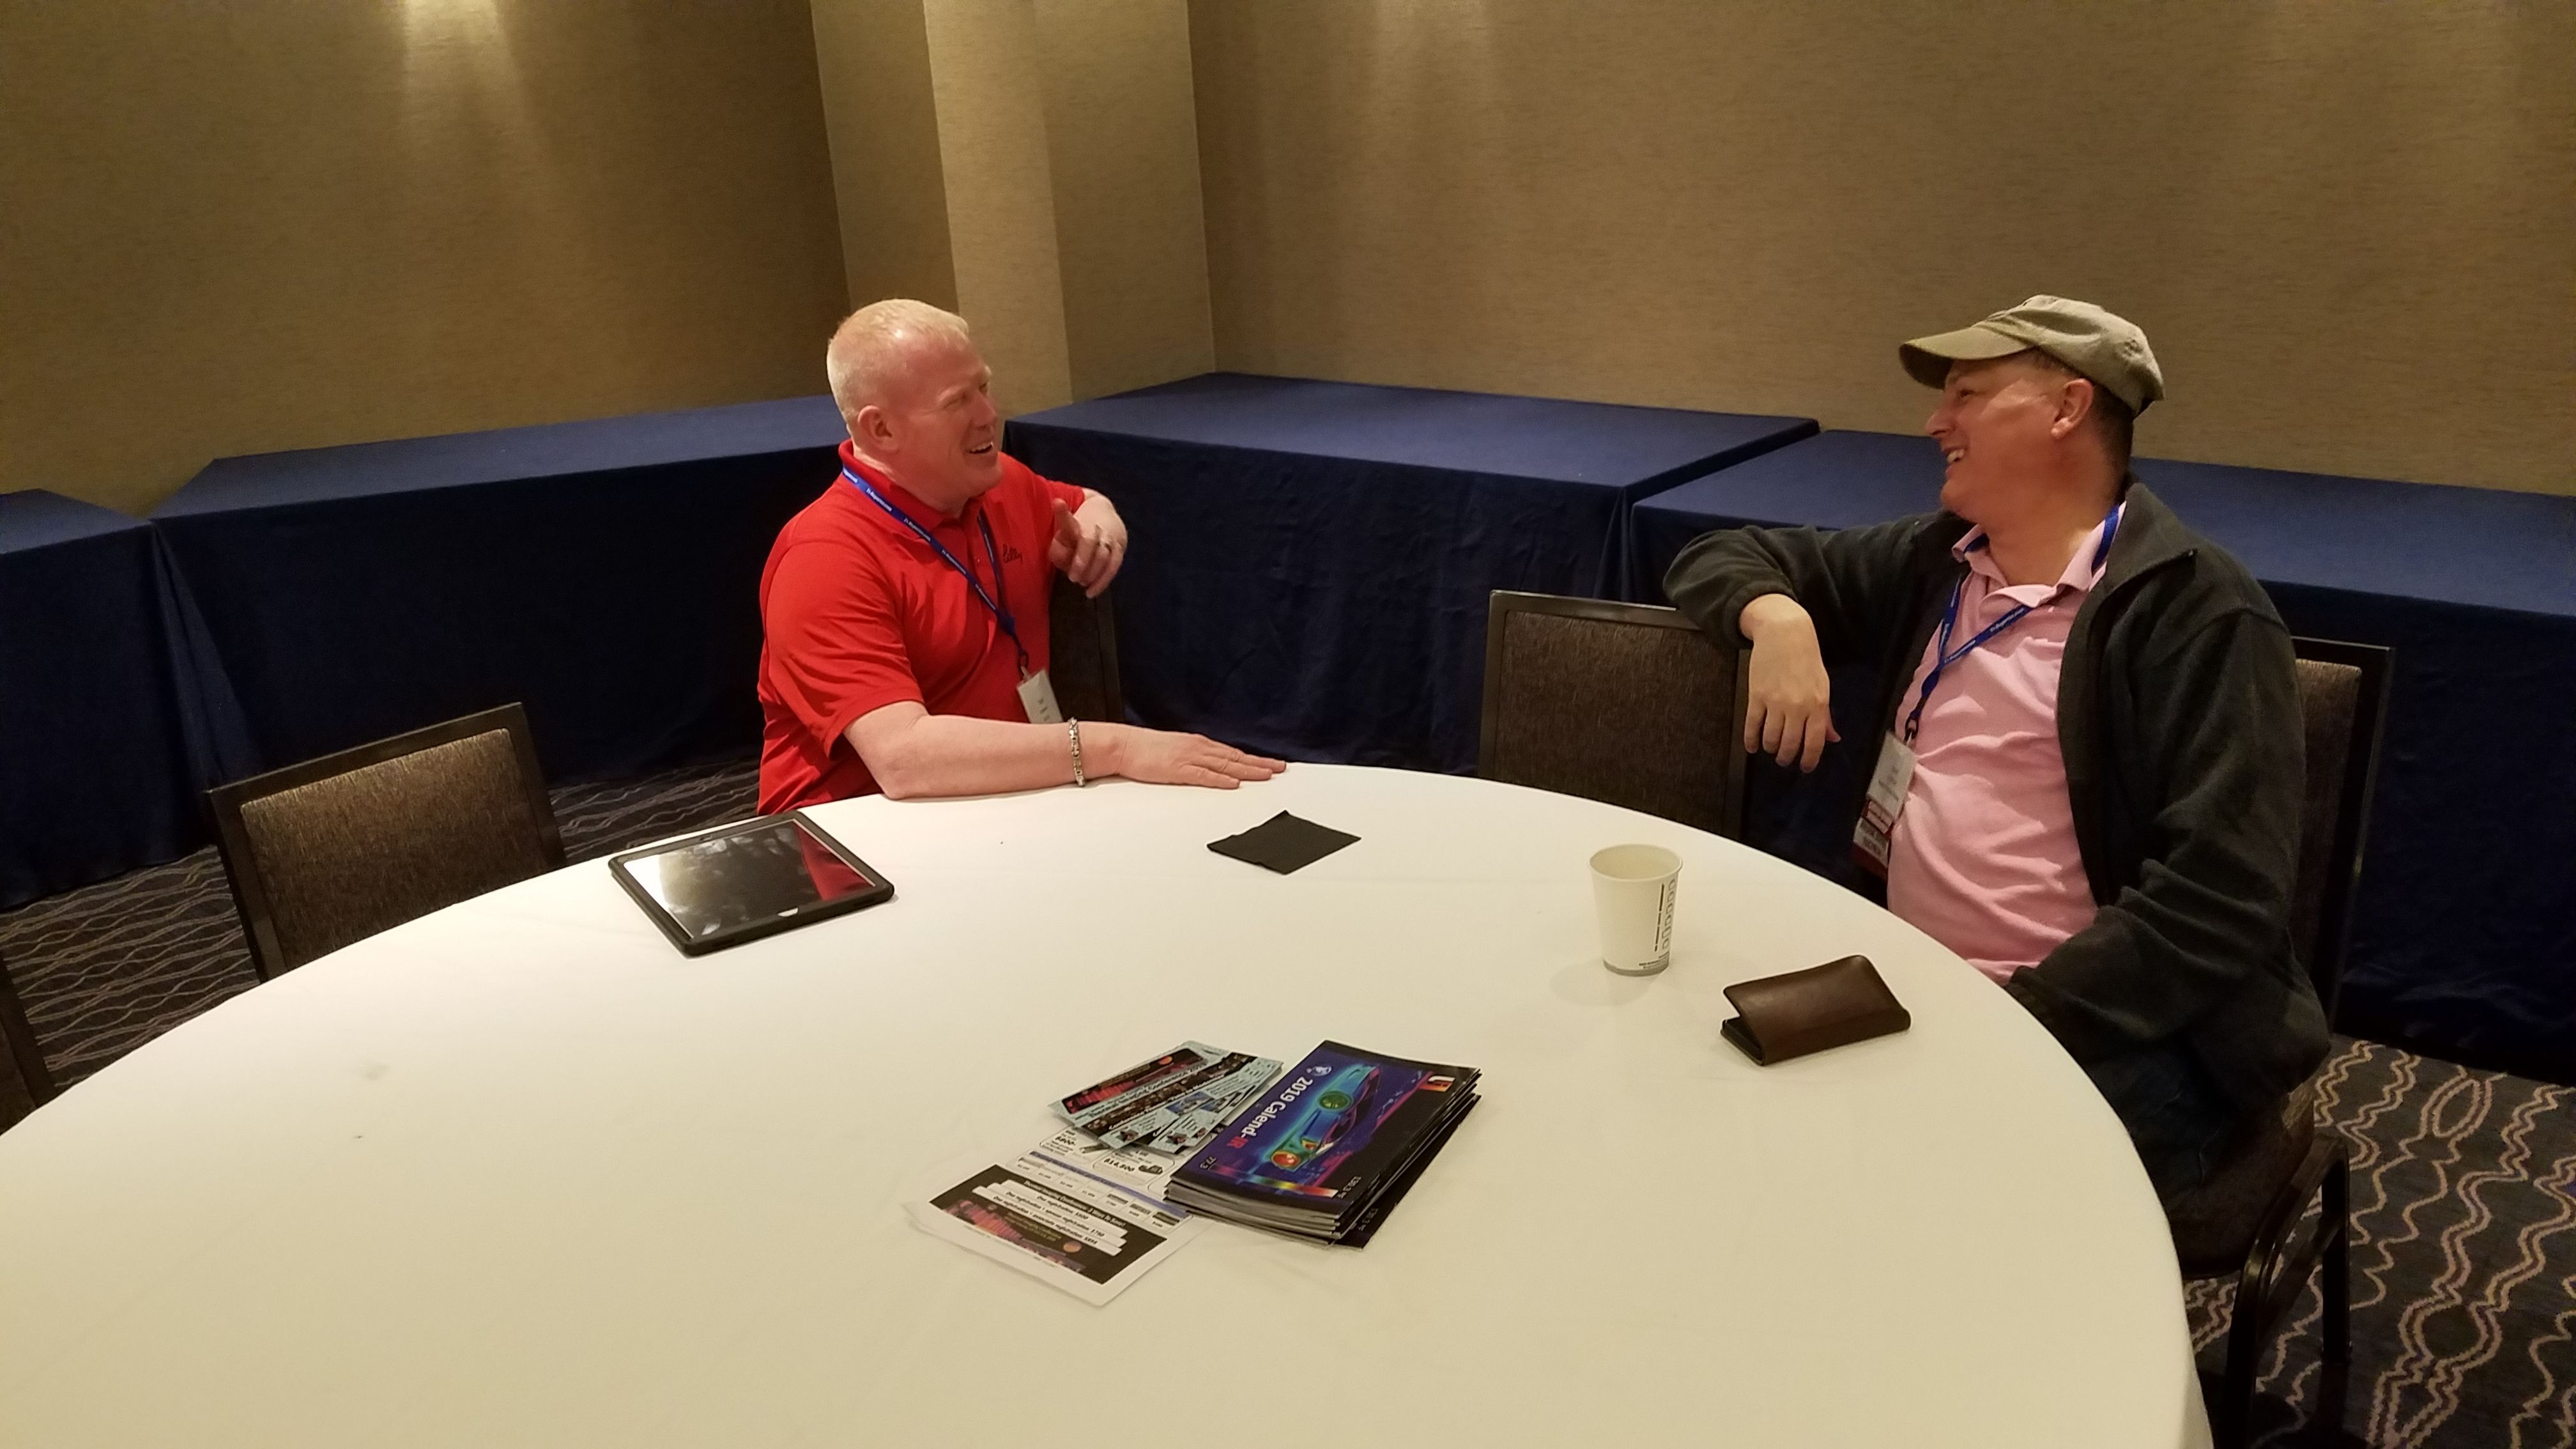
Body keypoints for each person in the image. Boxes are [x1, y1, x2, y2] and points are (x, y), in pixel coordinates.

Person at [1664, 296, 2328, 1208]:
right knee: (1720, 1110)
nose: (1935, 422)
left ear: (2067, 409)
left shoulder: (2196, 611)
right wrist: (1775, 616)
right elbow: (1713, 555)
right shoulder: (1941, 562)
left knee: (1907, 1192)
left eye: (1968, 395)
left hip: (2119, 1026)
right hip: (1915, 985)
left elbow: (2219, 898)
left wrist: (2011, 1023)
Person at [758, 300, 1285, 811]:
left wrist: (1101, 526)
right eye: (957, 402)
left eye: (984, 388)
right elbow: (903, 758)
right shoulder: (823, 558)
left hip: (1003, 803)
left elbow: (1085, 501)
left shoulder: (999, 483)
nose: (989, 415)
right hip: (858, 830)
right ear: (882, 429)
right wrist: (1118, 747)